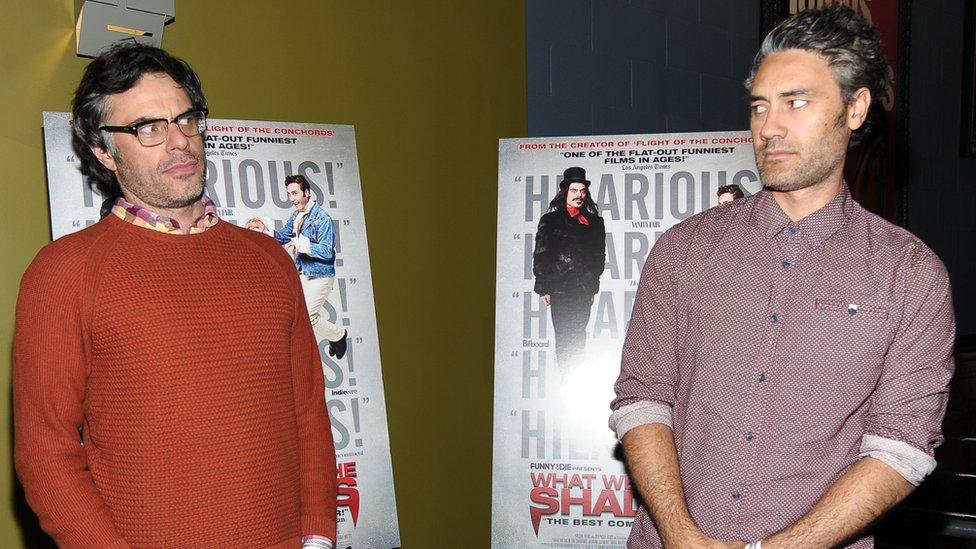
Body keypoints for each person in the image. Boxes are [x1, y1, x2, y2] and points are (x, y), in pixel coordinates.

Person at [609, 6, 955, 548]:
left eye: (796, 102)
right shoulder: (684, 249)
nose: (769, 127)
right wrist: (678, 534)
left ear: (855, 108)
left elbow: (902, 446)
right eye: (760, 107)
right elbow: (643, 397)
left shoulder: (911, 276)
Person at [14, 42, 337, 549]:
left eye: (186, 119)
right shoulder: (63, 273)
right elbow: (45, 456)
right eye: (148, 128)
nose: (179, 142)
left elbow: (308, 416)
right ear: (103, 150)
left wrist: (318, 536)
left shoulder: (269, 260)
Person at [247, 174, 349, 360]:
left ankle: (338, 335)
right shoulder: (297, 215)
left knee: (309, 316)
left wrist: (303, 245)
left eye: (295, 193)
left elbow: (327, 252)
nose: (292, 199)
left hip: (320, 275)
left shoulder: (322, 218)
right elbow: (281, 237)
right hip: (302, 274)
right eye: (289, 194)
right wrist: (264, 229)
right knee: (293, 315)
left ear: (307, 192)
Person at [532, 166, 606, 370]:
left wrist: (592, 287)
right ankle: (565, 376)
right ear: (565, 192)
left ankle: (576, 376)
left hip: (583, 289)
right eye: (574, 191)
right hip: (559, 287)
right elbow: (541, 254)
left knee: (579, 334)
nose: (579, 195)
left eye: (583, 191)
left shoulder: (595, 222)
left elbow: (599, 256)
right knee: (563, 335)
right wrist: (543, 287)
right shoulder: (550, 220)